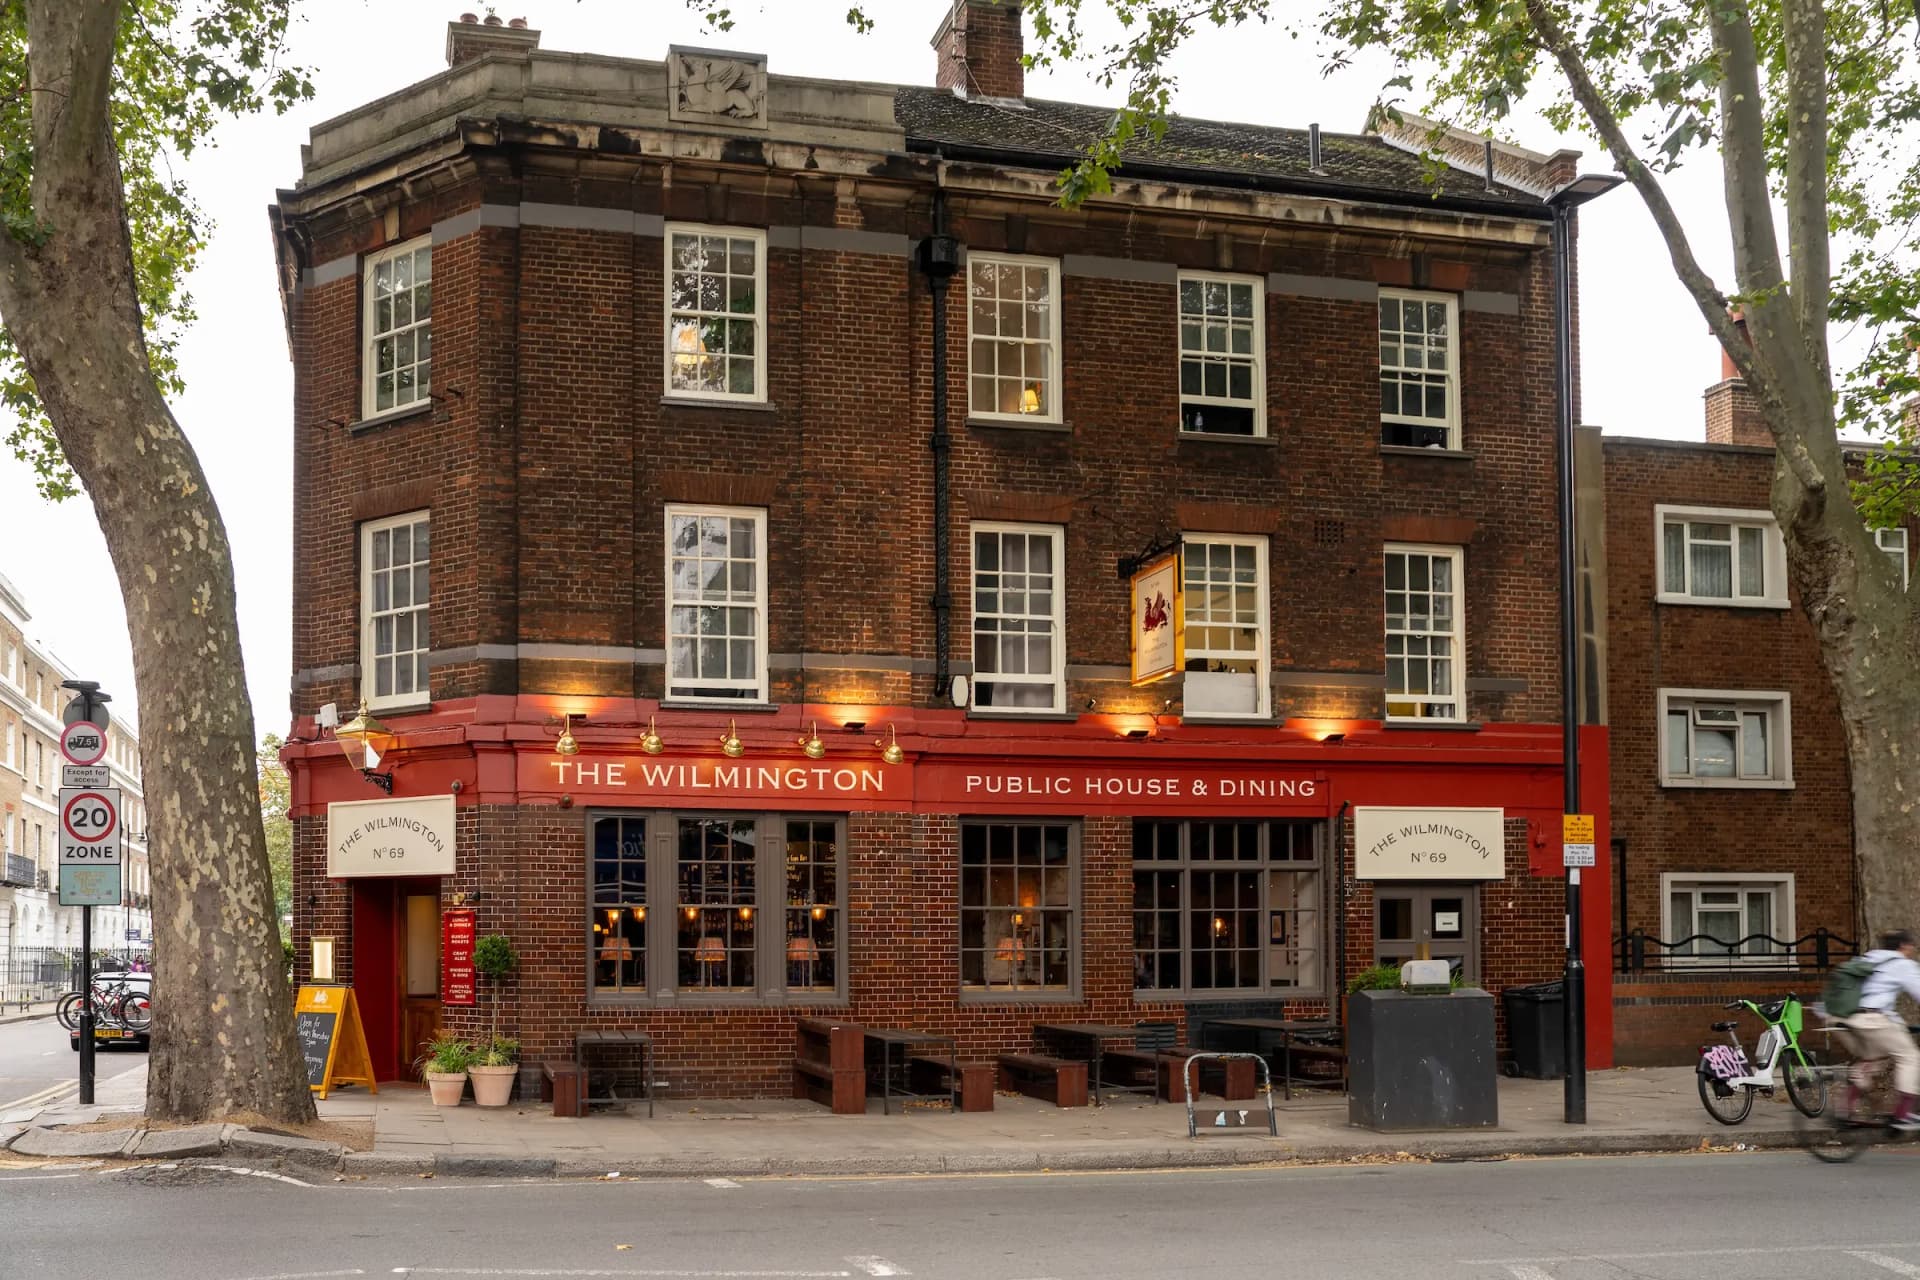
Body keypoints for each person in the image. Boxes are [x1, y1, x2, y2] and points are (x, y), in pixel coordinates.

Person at [1844, 929, 1920, 1131]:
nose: (1913, 950)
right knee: (1910, 1057)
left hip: (1850, 1018)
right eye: (1912, 946)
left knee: (1873, 1059)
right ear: (1903, 946)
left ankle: (1847, 1108)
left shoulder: (1869, 957)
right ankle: (1903, 1115)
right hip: (1874, 1019)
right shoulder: (1902, 964)